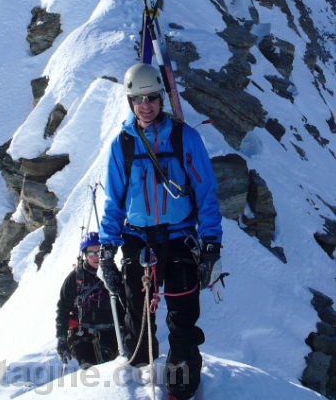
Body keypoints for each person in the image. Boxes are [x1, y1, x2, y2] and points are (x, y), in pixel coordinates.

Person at [98, 64, 223, 400]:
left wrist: (211, 243)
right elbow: (114, 202)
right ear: (129, 101)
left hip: (180, 239)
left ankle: (180, 389)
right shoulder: (122, 146)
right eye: (138, 99)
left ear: (161, 98)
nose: (146, 105)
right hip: (138, 240)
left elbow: (206, 193)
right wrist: (107, 248)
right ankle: (139, 382)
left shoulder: (185, 138)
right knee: (138, 319)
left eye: (152, 97)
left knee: (183, 320)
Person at [55, 232, 121, 368]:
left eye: (99, 252)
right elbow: (63, 309)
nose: (96, 257)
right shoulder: (75, 279)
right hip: (81, 334)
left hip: (112, 332)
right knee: (90, 369)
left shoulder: (113, 275)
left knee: (111, 368)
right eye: (91, 253)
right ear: (85, 254)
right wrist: (62, 340)